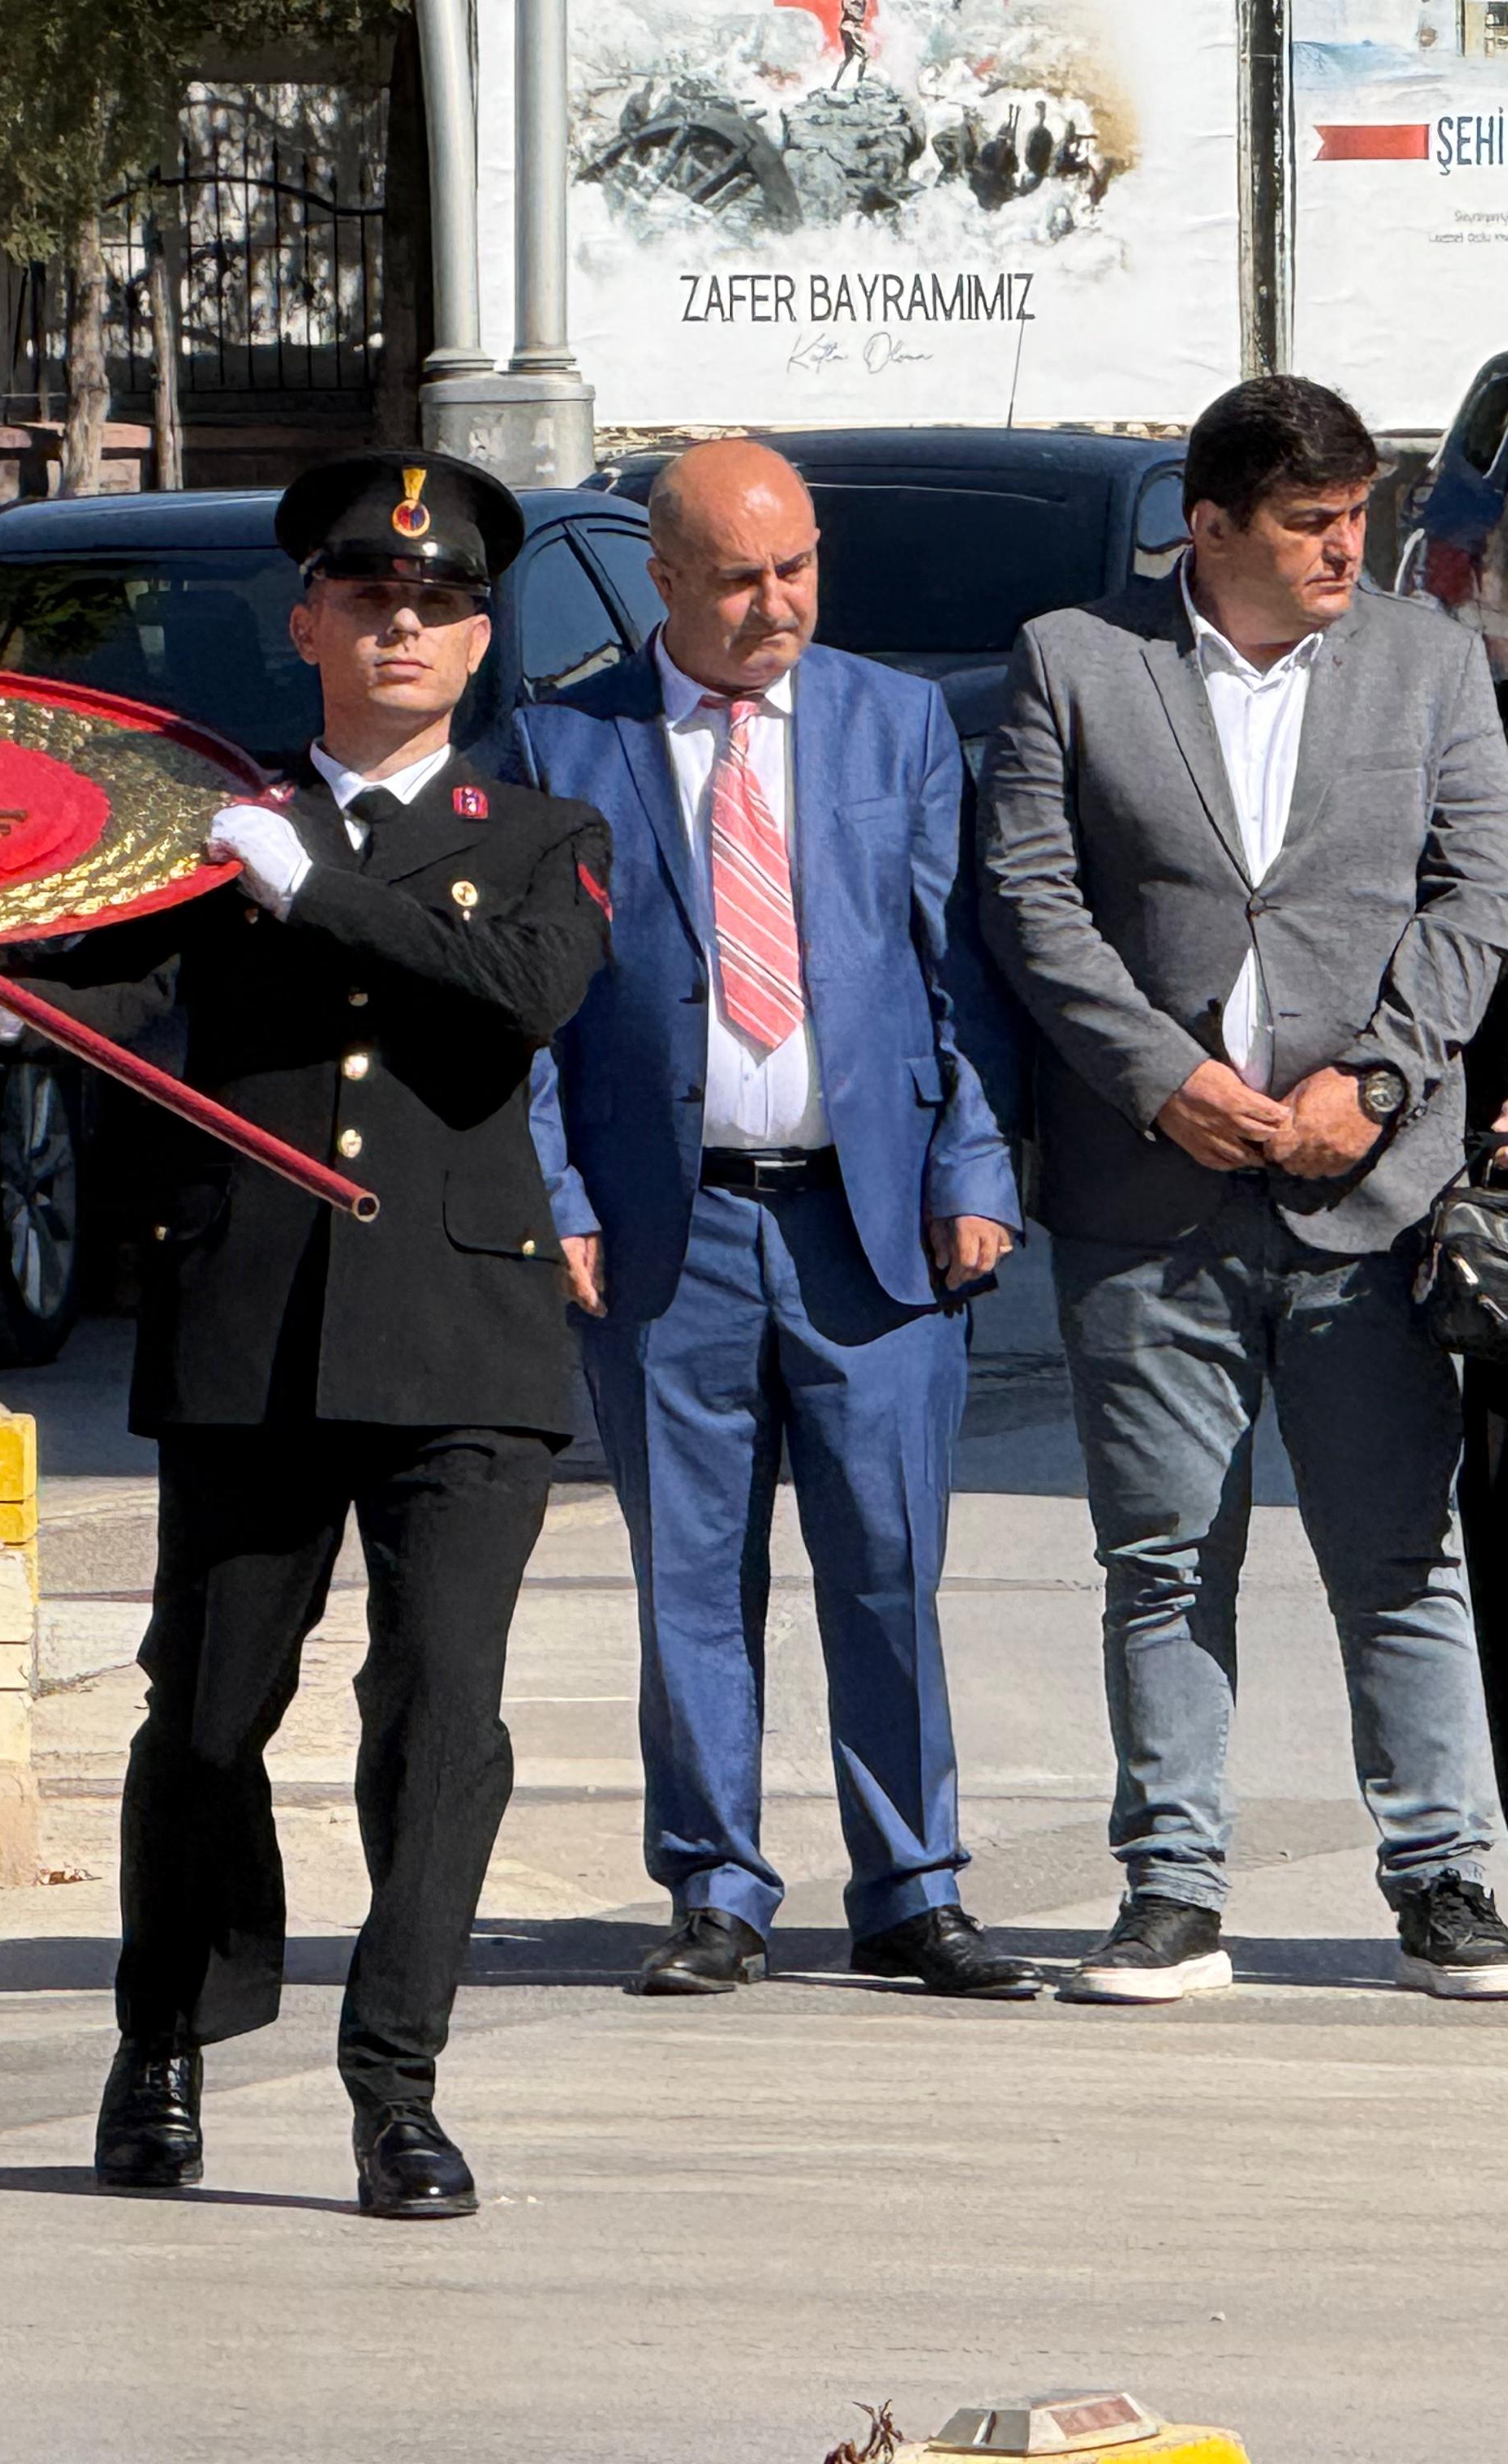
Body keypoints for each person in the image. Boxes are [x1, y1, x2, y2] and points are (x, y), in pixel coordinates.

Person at [0, 451, 612, 2220]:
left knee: (441, 1711)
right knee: (208, 1717)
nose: (400, 626)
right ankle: (165, 2038)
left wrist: (315, 892)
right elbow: (122, 997)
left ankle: (399, 2082)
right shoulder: (210, 830)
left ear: (473, 641)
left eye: (436, 604)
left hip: (461, 1332)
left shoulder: (540, 836)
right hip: (253, 1325)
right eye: (367, 597)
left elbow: (519, 1000)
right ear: (307, 619)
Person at [982, 374, 1508, 2003]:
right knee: (1160, 1558)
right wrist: (1168, 1080)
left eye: (1361, 518)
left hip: (1374, 1195)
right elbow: (1030, 895)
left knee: (1399, 1554)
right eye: (1309, 523)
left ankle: (1444, 1880)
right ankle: (1170, 1889)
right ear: (1208, 529)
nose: (1347, 548)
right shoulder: (1076, 664)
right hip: (1154, 1196)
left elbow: (1477, 888)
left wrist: (1379, 1080)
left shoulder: (1428, 664)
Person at [509, 441, 1034, 2003]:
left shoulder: (896, 722)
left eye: (797, 566)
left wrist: (976, 1172)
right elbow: (532, 1010)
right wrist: (560, 1196)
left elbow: (964, 976)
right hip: (670, 1229)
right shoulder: (561, 741)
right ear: (660, 577)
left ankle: (913, 1884)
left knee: (888, 1559)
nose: (775, 603)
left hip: (867, 1226)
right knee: (690, 1573)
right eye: (738, 577)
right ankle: (718, 1884)